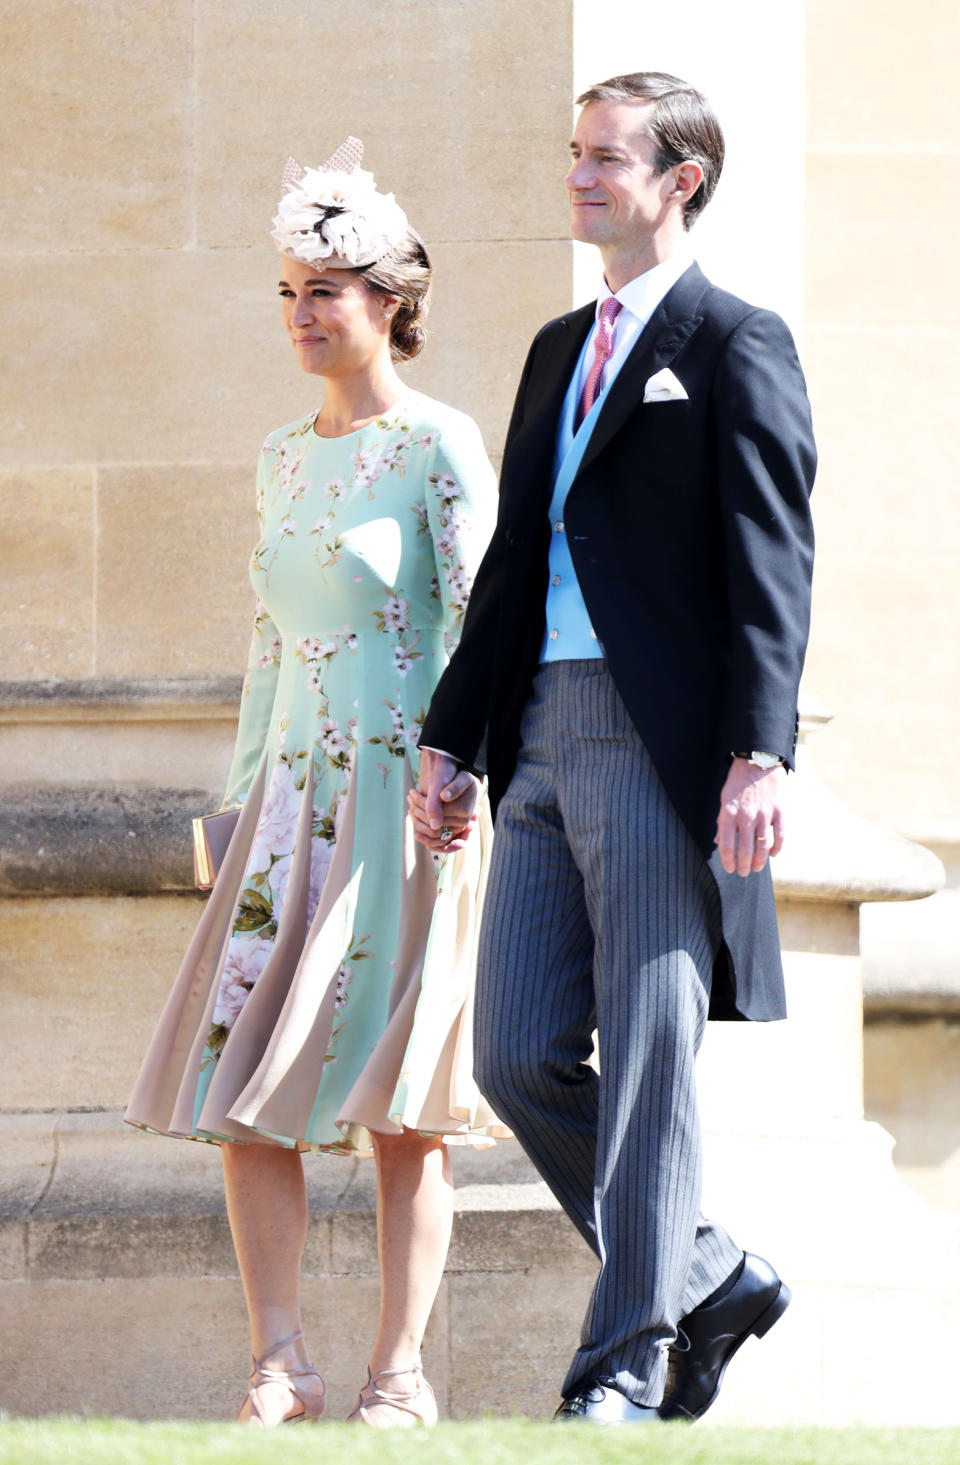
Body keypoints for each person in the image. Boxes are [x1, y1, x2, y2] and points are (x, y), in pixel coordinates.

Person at [410, 72, 816, 1424]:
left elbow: (774, 568)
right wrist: (452, 737)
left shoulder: (732, 343)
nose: (578, 178)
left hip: (658, 747)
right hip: (534, 729)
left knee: (649, 1057)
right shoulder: (553, 350)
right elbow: (514, 561)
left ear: (680, 177)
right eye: (572, 154)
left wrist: (762, 752)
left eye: (606, 159)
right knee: (515, 1051)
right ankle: (712, 1271)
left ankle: (626, 1358)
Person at [125, 136, 502, 1428]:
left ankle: (401, 1372)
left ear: (386, 302)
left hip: (414, 804)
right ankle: (278, 1360)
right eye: (287, 291)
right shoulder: (283, 456)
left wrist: (469, 779)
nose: (299, 314)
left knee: (402, 1108)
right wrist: (232, 811)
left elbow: (483, 632)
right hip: (285, 810)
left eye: (323, 291)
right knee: (246, 1092)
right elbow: (265, 647)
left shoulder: (440, 446)